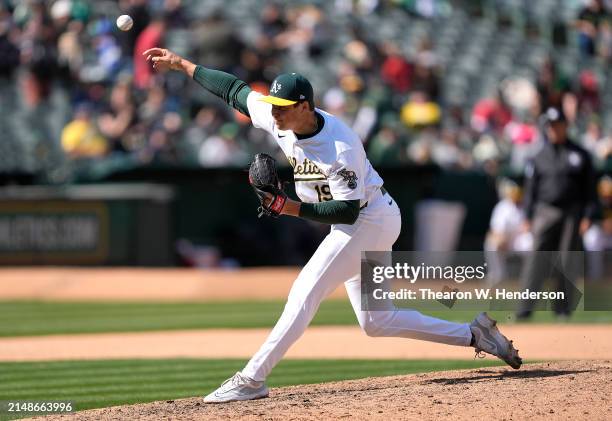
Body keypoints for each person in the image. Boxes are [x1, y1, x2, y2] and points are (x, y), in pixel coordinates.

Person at [142, 47, 522, 403]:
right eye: (273, 105)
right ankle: (475, 334)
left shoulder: (339, 147)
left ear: (304, 106)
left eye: (283, 107)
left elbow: (347, 213)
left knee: (304, 291)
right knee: (377, 320)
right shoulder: (280, 119)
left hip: (367, 219)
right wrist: (185, 65)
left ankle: (251, 379)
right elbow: (235, 91)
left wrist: (288, 207)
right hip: (373, 216)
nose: (274, 113)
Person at [517, 107, 599, 320]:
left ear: (565, 126)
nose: (553, 130)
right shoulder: (538, 156)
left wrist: (588, 215)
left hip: (572, 213)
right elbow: (530, 191)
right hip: (545, 211)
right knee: (536, 259)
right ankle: (525, 309)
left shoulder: (580, 155)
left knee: (566, 261)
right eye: (550, 126)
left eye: (557, 125)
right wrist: (526, 216)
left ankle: (562, 309)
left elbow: (590, 190)